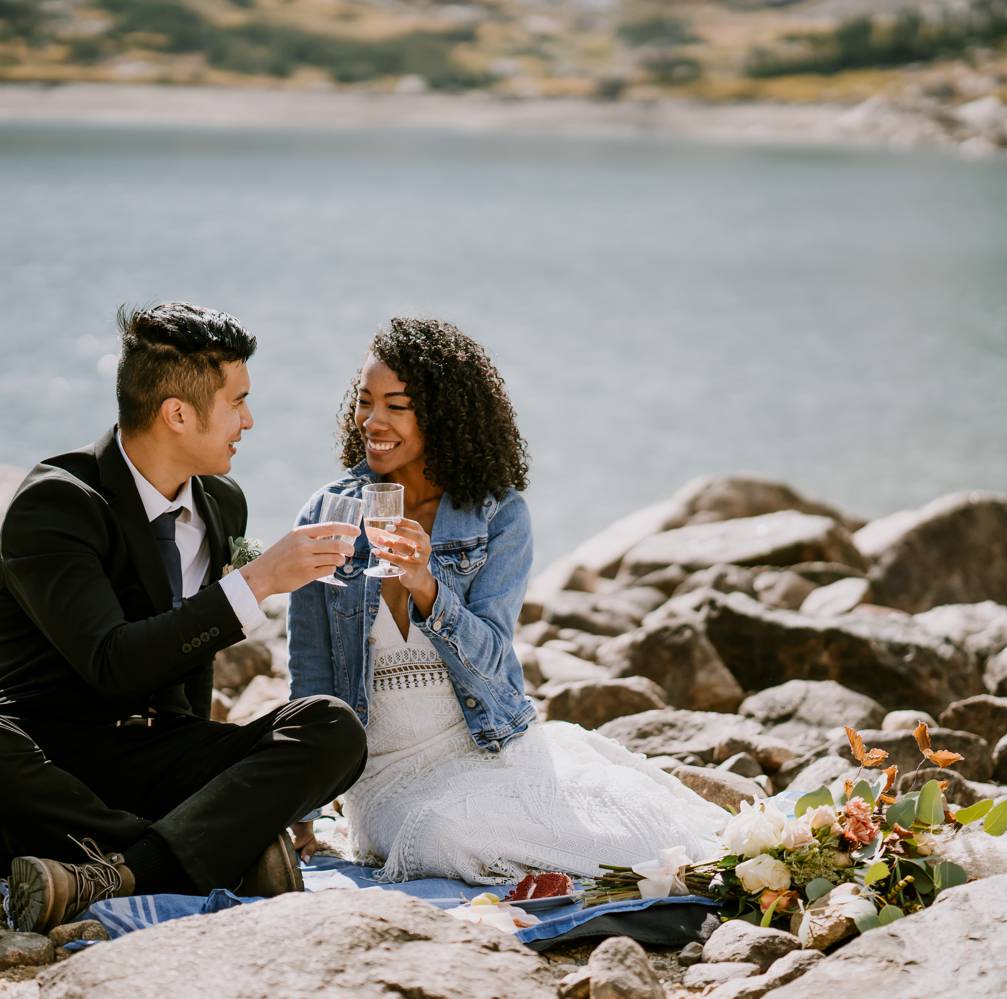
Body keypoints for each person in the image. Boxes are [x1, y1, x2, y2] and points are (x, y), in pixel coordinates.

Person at [0, 302, 368, 933]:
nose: (249, 420)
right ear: (178, 413)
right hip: (51, 751)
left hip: (162, 754)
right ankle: (211, 856)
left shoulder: (222, 503)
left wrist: (233, 776)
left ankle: (107, 869)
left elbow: (190, 669)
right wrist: (259, 581)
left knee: (332, 728)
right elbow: (112, 662)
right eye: (236, 401)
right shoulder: (56, 504)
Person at [287, 317, 726, 885]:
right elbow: (310, 681)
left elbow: (493, 655)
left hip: (490, 749)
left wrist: (426, 585)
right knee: (441, 836)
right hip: (387, 780)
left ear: (444, 416)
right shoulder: (328, 514)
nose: (373, 422)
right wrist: (299, 817)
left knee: (646, 841)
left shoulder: (499, 516)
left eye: (397, 406)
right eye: (366, 402)